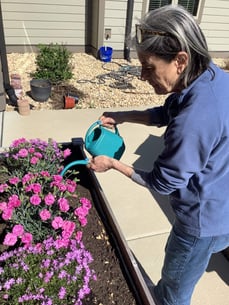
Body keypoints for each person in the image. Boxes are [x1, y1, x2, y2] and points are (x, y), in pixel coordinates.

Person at [89, 4, 229, 305]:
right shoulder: (211, 77)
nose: (141, 75)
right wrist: (123, 115)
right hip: (223, 203)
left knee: (172, 294)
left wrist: (112, 163)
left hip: (199, 222)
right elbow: (168, 110)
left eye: (149, 66)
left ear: (180, 60)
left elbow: (161, 183)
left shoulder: (193, 122)